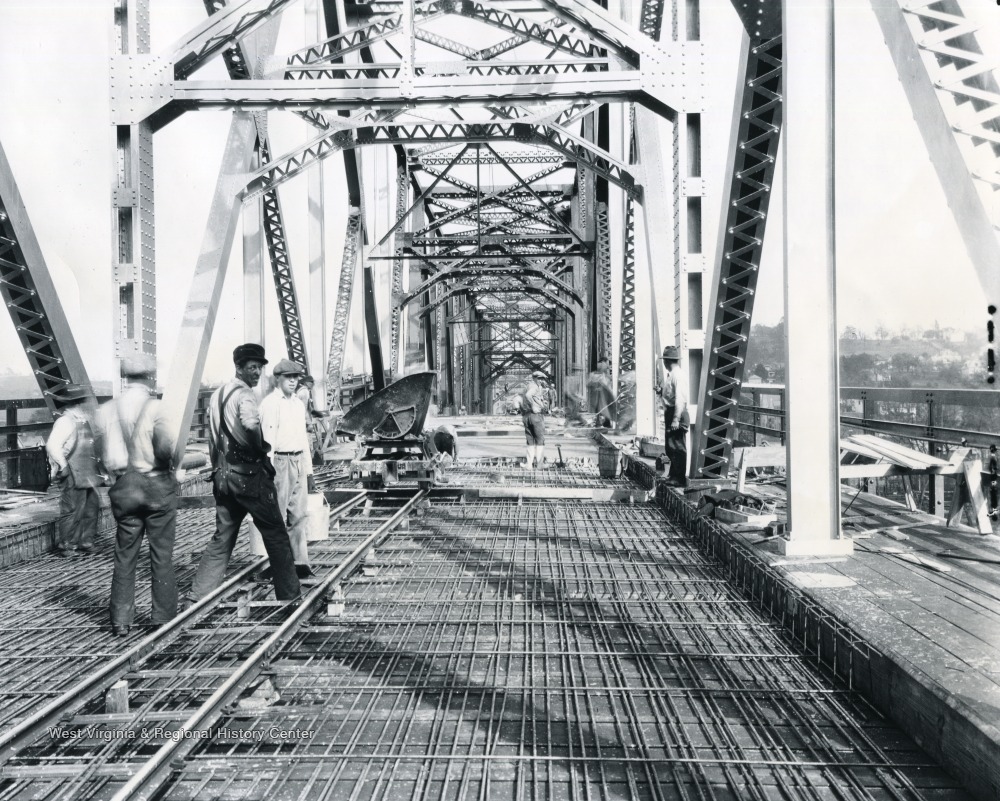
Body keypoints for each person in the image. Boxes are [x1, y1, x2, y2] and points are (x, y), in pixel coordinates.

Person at [189, 344, 301, 603]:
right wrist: (260, 449)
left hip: (223, 477)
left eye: (260, 367)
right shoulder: (245, 395)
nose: (257, 372)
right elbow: (250, 425)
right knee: (276, 535)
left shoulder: (217, 395)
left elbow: (213, 439)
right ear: (238, 368)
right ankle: (290, 598)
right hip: (249, 478)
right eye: (252, 367)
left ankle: (196, 599)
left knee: (222, 538)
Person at [96, 354, 178, 636]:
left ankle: (120, 621)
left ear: (125, 377)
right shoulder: (157, 408)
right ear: (150, 377)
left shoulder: (107, 410)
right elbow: (165, 449)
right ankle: (162, 619)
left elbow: (100, 452)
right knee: (161, 554)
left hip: (124, 489)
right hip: (156, 486)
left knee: (125, 555)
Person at [259, 359, 315, 579]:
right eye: (288, 377)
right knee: (277, 516)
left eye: (295, 377)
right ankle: (278, 565)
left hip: (298, 459)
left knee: (299, 515)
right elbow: (268, 441)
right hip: (280, 462)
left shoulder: (298, 404)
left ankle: (300, 563)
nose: (293, 381)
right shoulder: (271, 404)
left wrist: (309, 471)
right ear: (278, 379)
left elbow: (303, 439)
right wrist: (268, 472)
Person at [46, 383, 102, 556]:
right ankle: (67, 545)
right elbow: (52, 445)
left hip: (88, 471)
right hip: (73, 470)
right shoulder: (65, 421)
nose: (81, 404)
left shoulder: (83, 419)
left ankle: (86, 541)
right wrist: (62, 465)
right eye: (78, 401)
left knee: (91, 507)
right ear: (73, 403)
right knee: (72, 509)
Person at [658, 345, 690, 487]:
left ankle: (678, 478)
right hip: (672, 413)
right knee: (671, 446)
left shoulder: (678, 376)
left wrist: (676, 419)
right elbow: (672, 395)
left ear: (667, 361)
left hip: (677, 413)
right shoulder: (673, 375)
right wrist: (661, 391)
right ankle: (674, 475)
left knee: (677, 447)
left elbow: (680, 399)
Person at [522, 370, 550, 468]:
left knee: (530, 440)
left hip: (526, 416)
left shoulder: (528, 386)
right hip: (536, 416)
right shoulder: (534, 387)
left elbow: (525, 397)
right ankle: (540, 464)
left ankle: (529, 465)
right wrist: (534, 405)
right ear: (534, 378)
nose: (541, 380)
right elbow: (528, 395)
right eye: (539, 378)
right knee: (540, 440)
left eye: (542, 379)